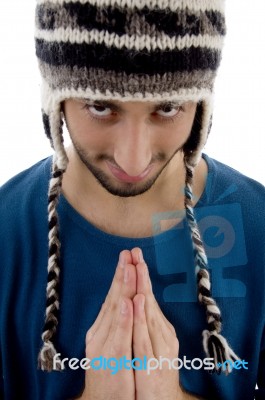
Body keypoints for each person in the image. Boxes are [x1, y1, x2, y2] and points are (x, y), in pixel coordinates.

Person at [0, 0, 264, 399]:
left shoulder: (258, 226)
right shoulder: (6, 233)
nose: (134, 158)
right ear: (55, 97)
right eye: (101, 106)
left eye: (168, 107)